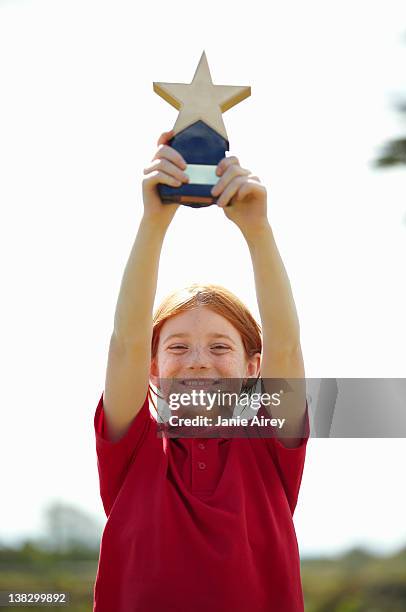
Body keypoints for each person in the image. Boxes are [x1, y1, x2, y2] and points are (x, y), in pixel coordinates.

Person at [92, 130, 310, 612]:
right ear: (152, 366)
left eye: (219, 346)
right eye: (176, 346)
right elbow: (125, 343)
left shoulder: (270, 443)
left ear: (254, 367)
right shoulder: (133, 445)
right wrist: (154, 222)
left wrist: (257, 229)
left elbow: (287, 345)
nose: (197, 359)